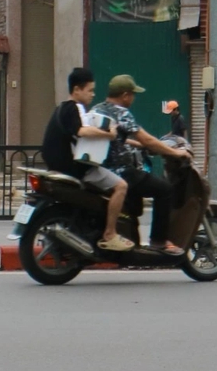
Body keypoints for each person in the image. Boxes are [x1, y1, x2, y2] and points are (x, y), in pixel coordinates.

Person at [95, 74, 193, 255]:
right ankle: (159, 241)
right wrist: (175, 152)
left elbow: (115, 139)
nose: (133, 99)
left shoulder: (98, 109)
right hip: (121, 171)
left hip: (102, 170)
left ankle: (131, 239)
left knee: (135, 201)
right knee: (164, 190)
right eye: (132, 95)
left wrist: (137, 145)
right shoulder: (121, 113)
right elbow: (146, 138)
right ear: (125, 95)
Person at [41, 67, 135, 251]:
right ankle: (110, 234)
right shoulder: (74, 107)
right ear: (77, 90)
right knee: (121, 186)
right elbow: (81, 131)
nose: (93, 94)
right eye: (90, 90)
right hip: (76, 168)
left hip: (58, 166)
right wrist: (108, 134)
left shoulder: (61, 108)